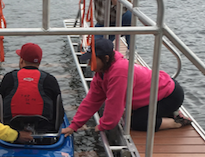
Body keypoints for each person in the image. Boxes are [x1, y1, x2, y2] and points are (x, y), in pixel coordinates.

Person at [62, 39, 192, 135]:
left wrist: (103, 125)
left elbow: (115, 104)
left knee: (136, 122)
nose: (90, 63)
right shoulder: (101, 73)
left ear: (106, 58)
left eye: (93, 60)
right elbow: (92, 100)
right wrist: (74, 125)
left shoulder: (119, 73)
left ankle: (176, 122)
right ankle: (169, 113)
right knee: (128, 116)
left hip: (170, 95)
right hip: (157, 93)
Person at [0, 42, 63, 128]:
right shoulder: (50, 79)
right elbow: (59, 111)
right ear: (39, 62)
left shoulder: (9, 78)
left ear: (21, 60)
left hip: (11, 130)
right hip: (44, 131)